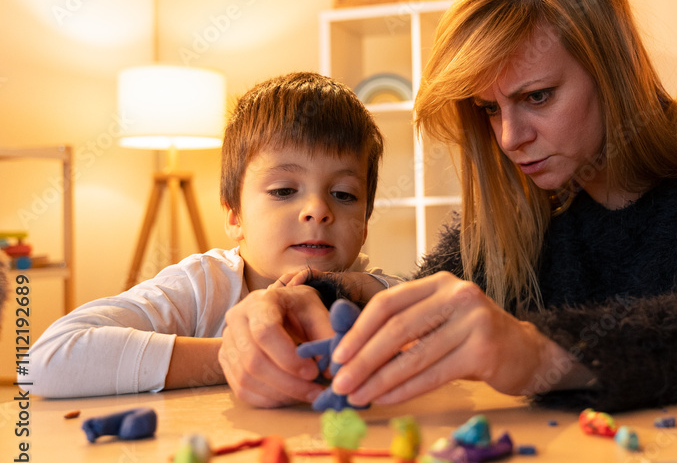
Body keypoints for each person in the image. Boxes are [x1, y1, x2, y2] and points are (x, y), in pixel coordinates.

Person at [219, 0, 677, 412]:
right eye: (490, 110)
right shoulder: (524, 200)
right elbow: (426, 297)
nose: (509, 138)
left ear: (615, 69)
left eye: (538, 97)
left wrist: (538, 351)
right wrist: (291, 307)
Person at [23, 72, 399, 400]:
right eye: (285, 190)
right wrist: (233, 356)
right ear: (234, 215)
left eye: (344, 194)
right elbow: (44, 361)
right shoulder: (202, 288)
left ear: (365, 224)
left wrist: (371, 288)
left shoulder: (372, 293)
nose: (317, 210)